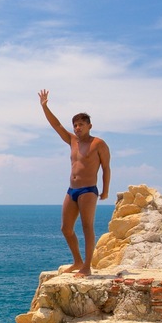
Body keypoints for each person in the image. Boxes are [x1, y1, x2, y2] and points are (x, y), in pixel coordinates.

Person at [39, 89, 111, 277]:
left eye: (81, 124)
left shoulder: (98, 144)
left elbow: (106, 168)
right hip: (72, 190)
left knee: (87, 227)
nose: (77, 128)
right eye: (75, 125)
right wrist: (45, 106)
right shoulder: (72, 141)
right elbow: (56, 125)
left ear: (89, 125)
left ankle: (87, 266)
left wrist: (105, 191)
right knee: (66, 228)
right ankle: (77, 261)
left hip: (88, 190)